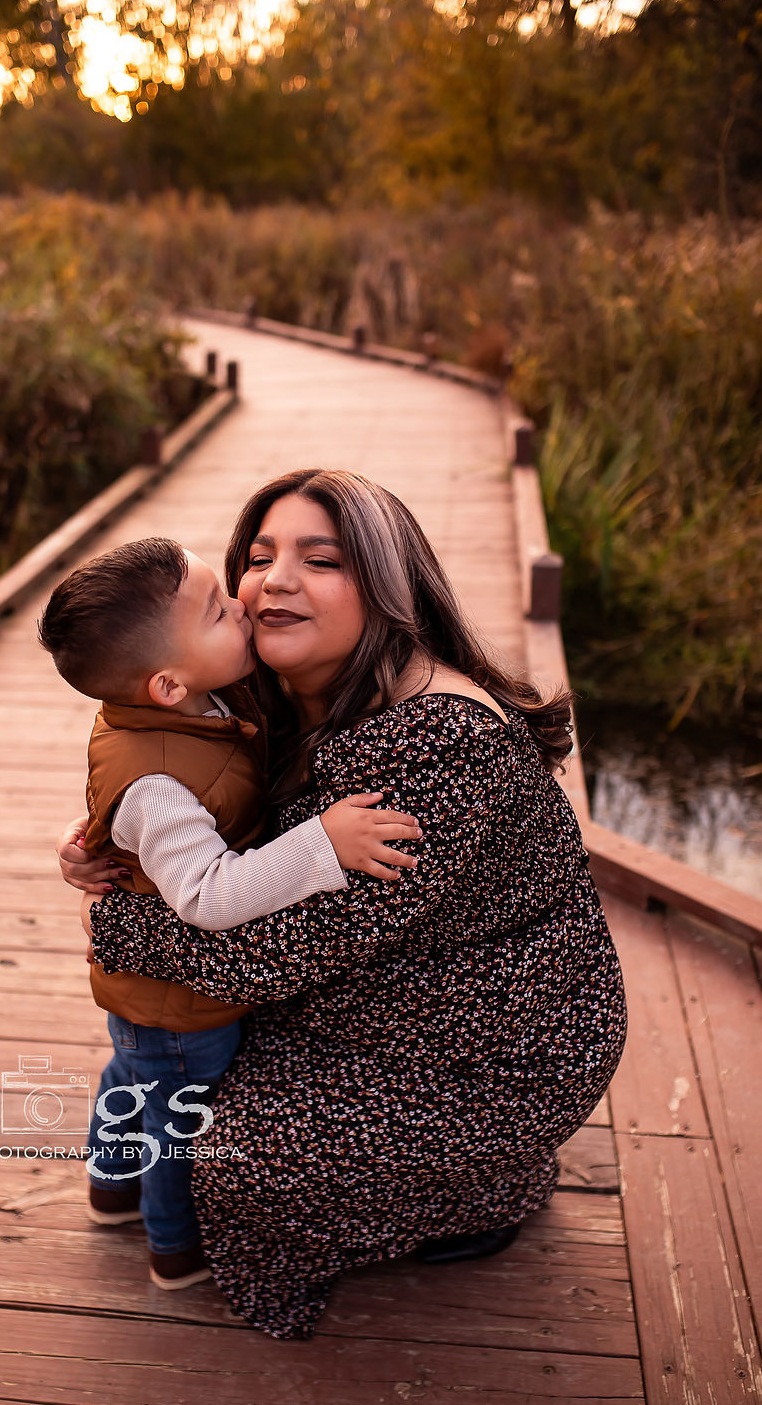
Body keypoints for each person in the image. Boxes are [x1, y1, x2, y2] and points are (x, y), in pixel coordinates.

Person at [59, 469, 627, 1340]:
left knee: (233, 1158)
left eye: (318, 560)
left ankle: (484, 1189)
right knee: (190, 1079)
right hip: (387, 994)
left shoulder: (442, 742)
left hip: (490, 1052)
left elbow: (269, 952)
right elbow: (182, 782)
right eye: (257, 558)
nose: (271, 581)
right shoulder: (281, 685)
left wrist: (121, 920)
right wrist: (104, 840)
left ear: (388, 585)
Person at [38, 536, 420, 1291]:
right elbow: (209, 896)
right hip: (184, 1001)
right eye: (219, 612)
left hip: (149, 996)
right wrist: (324, 842)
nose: (243, 606)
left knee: (132, 1074)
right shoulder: (158, 781)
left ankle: (109, 1188)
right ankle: (175, 1250)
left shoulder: (181, 705)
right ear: (168, 686)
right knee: (178, 1120)